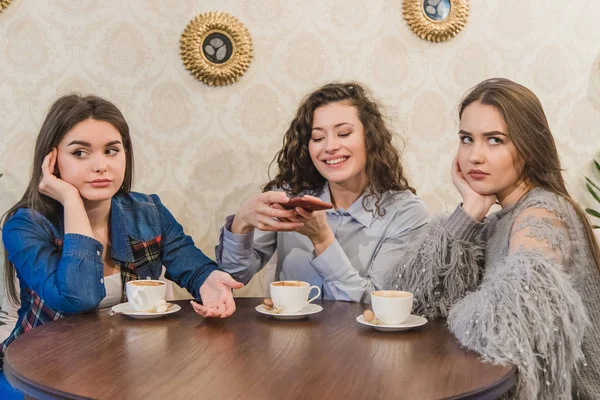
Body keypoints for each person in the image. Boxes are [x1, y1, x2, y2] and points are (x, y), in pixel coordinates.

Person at [0, 94, 243, 394]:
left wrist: (210, 282)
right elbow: (79, 297)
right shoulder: (25, 225)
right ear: (52, 161)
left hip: (126, 369)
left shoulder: (148, 212)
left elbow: (192, 266)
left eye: (111, 151)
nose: (100, 165)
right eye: (80, 153)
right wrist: (71, 201)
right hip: (42, 374)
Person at [387, 78, 600, 399]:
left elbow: (506, 327)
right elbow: (408, 300)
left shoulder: (541, 215)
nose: (475, 156)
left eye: (495, 140)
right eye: (467, 139)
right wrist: (469, 212)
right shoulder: (503, 216)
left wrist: (455, 308)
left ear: (529, 146)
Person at [216, 82, 428, 302]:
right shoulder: (290, 196)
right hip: (288, 336)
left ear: (370, 138)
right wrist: (241, 223)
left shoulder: (405, 212)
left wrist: (322, 239)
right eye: (317, 138)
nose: (330, 146)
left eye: (344, 133)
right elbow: (233, 277)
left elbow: (378, 306)